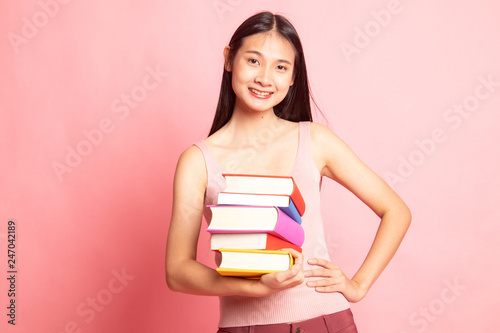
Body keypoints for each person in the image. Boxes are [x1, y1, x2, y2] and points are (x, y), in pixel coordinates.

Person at [166, 11, 411, 333]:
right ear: (229, 59)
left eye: (281, 67)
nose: (265, 78)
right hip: (246, 326)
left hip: (326, 321)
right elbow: (177, 270)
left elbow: (396, 210)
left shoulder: (316, 140)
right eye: (253, 61)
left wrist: (358, 285)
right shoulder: (198, 161)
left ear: (294, 76)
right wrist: (255, 287)